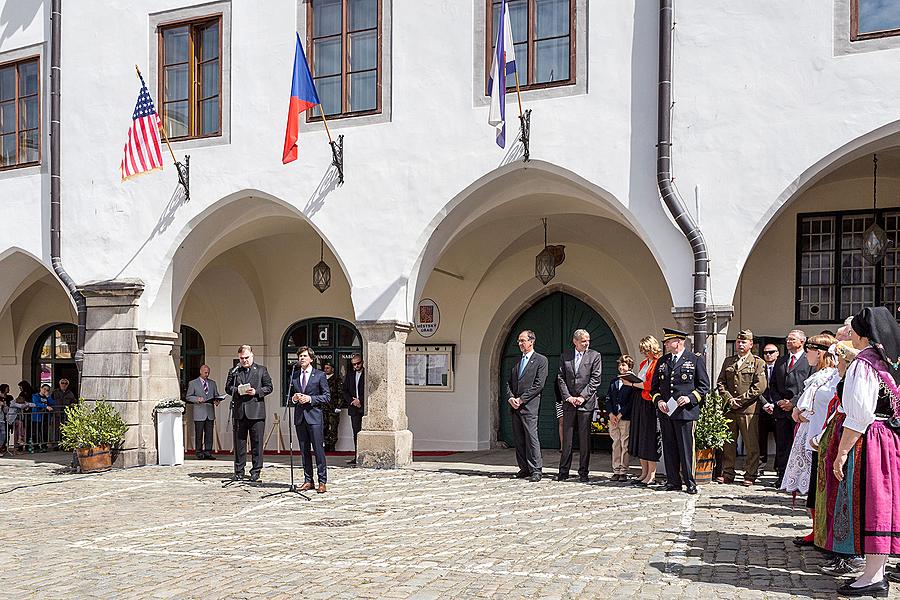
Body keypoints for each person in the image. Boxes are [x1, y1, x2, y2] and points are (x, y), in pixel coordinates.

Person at [813, 307, 900, 596]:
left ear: (862, 334)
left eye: (853, 331)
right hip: (890, 437)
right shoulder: (891, 363)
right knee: (882, 504)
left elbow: (859, 414)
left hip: (870, 439)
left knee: (871, 503)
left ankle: (874, 577)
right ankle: (875, 572)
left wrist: (841, 452)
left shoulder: (865, 364)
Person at [651, 328, 710, 495]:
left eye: (669, 341)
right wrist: (659, 400)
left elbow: (704, 386)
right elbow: (654, 388)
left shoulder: (694, 359)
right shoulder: (662, 361)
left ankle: (690, 481)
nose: (667, 344)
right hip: (667, 411)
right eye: (666, 342)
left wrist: (690, 398)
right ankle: (673, 481)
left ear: (679, 341)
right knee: (669, 447)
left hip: (685, 412)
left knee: (686, 448)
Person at [780, 334, 837, 505]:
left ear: (819, 353)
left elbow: (807, 410)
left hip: (819, 435)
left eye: (808, 350)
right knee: (814, 487)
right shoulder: (821, 375)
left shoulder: (828, 377)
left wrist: (802, 412)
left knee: (818, 486)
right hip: (813, 435)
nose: (805, 354)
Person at [715, 329, 767, 486]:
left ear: (751, 344)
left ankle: (750, 474)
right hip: (730, 408)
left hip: (748, 410)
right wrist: (729, 399)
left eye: (744, 342)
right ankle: (728, 473)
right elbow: (721, 382)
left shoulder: (758, 362)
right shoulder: (728, 361)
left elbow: (760, 387)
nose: (740, 344)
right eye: (738, 341)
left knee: (751, 444)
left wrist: (741, 400)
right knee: (728, 443)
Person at [556, 329, 603, 483]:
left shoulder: (594, 356)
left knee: (584, 440)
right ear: (575, 342)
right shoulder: (565, 356)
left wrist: (582, 397)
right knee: (567, 439)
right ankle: (563, 471)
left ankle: (583, 472)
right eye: (583, 340)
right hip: (569, 403)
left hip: (585, 403)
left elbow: (595, 379)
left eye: (588, 340)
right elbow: (561, 378)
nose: (586, 343)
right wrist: (568, 397)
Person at [771, 329, 813, 487]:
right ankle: (782, 476)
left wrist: (794, 402)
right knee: (783, 445)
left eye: (792, 339)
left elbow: (809, 385)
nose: (789, 342)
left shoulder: (808, 360)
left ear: (802, 342)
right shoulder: (781, 361)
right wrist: (779, 401)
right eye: (787, 339)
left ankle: (799, 477)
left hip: (799, 411)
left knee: (800, 445)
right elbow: (773, 384)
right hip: (781, 411)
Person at [225, 345, 272, 483]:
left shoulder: (261, 370)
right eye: (241, 358)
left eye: (246, 358)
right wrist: (238, 390)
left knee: (257, 443)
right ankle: (239, 471)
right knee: (239, 443)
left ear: (252, 356)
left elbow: (269, 387)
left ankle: (256, 471)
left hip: (256, 412)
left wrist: (256, 392)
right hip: (239, 412)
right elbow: (228, 388)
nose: (244, 360)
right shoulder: (234, 371)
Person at [507, 329, 548, 482]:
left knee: (531, 437)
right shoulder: (516, 361)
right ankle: (524, 468)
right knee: (519, 438)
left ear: (531, 341)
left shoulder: (541, 360)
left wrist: (521, 399)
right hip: (515, 406)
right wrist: (511, 398)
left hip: (529, 406)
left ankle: (536, 469)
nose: (520, 344)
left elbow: (539, 384)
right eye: (519, 341)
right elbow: (509, 382)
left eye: (522, 340)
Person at [291, 347, 331, 493]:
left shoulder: (319, 375)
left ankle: (322, 481)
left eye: (305, 356)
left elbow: (327, 397)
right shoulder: (294, 376)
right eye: (300, 356)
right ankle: (308, 480)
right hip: (300, 418)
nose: (302, 358)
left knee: (318, 450)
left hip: (314, 417)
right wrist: (294, 399)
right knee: (304, 451)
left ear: (311, 359)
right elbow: (289, 396)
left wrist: (310, 399)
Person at [626, 336, 663, 486]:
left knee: (649, 438)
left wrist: (633, 384)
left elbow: (650, 385)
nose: (644, 353)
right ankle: (644, 472)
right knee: (640, 437)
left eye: (646, 350)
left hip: (650, 403)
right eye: (643, 351)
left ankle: (651, 474)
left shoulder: (657, 363)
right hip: (639, 402)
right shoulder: (643, 363)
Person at [606, 355, 638, 481]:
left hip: (625, 417)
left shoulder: (632, 382)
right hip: (613, 418)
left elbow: (631, 402)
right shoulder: (614, 381)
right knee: (616, 443)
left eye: (624, 365)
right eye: (620, 365)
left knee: (625, 443)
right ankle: (616, 470)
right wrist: (611, 414)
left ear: (629, 367)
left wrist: (620, 414)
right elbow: (608, 398)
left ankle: (623, 470)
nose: (621, 367)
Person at [185, 365, 220, 460]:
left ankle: (208, 452)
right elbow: (188, 397)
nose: (207, 374)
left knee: (209, 434)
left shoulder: (212, 383)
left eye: (208, 372)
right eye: (205, 372)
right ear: (200, 372)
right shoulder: (193, 383)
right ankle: (199, 452)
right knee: (199, 434)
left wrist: (217, 400)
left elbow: (216, 395)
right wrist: (197, 399)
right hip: (199, 412)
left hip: (210, 412)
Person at [758, 343, 780, 474]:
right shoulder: (759, 367)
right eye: (766, 352)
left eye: (771, 352)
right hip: (762, 408)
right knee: (760, 440)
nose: (768, 354)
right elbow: (755, 387)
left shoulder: (782, 366)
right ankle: (760, 467)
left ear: (777, 353)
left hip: (778, 408)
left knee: (780, 439)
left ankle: (778, 467)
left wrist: (775, 404)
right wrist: (765, 404)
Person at [343, 354, 365, 464]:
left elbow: (369, 390)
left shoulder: (367, 374)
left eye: (358, 363)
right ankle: (357, 456)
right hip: (354, 408)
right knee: (356, 433)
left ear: (362, 362)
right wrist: (352, 401)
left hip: (364, 407)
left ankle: (365, 456)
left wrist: (360, 400)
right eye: (354, 364)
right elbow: (345, 391)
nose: (356, 366)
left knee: (364, 433)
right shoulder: (350, 375)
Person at [322, 362, 343, 452]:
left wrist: (338, 406)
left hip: (333, 407)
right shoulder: (322, 378)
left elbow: (340, 394)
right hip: (323, 407)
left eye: (328, 368)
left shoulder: (337, 379)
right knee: (324, 426)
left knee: (333, 427)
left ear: (332, 369)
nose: (326, 369)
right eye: (325, 368)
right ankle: (325, 444)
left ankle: (332, 445)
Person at [30, 384, 54, 452]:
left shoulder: (47, 397)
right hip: (37, 417)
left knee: (44, 432)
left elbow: (52, 403)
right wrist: (45, 406)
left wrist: (48, 397)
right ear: (41, 388)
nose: (45, 391)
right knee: (36, 432)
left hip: (45, 417)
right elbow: (36, 403)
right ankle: (36, 446)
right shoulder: (35, 396)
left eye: (47, 390)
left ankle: (44, 446)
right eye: (44, 389)